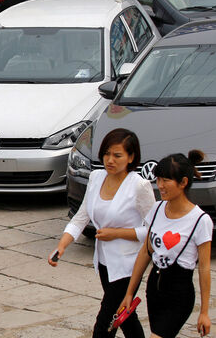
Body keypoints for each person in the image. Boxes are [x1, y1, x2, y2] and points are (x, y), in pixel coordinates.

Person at [48, 128, 155, 338]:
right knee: (124, 315)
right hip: (105, 262)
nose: (110, 160)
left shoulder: (139, 186)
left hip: (128, 264)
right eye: (107, 154)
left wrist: (118, 233)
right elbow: (81, 217)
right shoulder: (96, 177)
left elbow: (153, 231)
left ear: (131, 157)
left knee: (104, 322)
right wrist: (61, 246)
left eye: (117, 155)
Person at [118, 150, 212, 337]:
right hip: (154, 291)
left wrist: (204, 312)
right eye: (158, 179)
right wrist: (129, 293)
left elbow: (205, 268)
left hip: (179, 294)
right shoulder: (157, 209)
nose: (160, 185)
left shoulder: (200, 220)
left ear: (183, 182)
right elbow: (145, 253)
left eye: (165, 180)